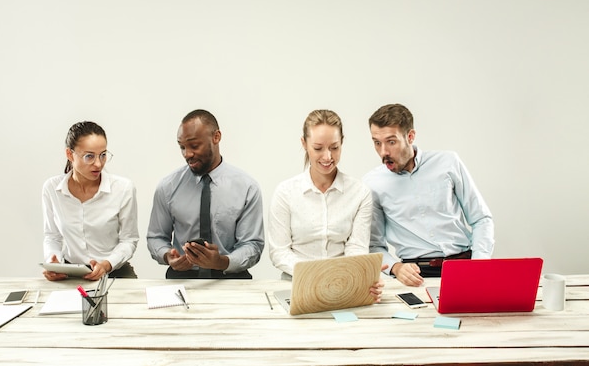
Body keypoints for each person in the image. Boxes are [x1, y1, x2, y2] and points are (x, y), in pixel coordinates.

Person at [363, 103, 495, 287]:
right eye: (377, 143)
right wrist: (396, 268)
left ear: (410, 136)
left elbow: (481, 218)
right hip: (416, 277)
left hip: (465, 267)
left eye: (391, 142)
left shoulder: (448, 162)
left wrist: (479, 264)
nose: (384, 152)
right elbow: (374, 244)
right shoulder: (372, 183)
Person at [268, 109, 387, 302]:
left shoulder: (360, 192)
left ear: (342, 142)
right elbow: (279, 252)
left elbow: (356, 247)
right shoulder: (285, 192)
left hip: (343, 286)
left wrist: (362, 273)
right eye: (318, 148)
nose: (327, 156)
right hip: (296, 286)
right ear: (304, 144)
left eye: (334, 147)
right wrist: (317, 276)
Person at [147, 109, 264, 279]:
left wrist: (221, 262)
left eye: (194, 146)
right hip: (182, 277)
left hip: (230, 277)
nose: (187, 154)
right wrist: (168, 256)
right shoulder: (167, 187)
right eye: (182, 147)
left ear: (216, 137)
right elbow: (156, 237)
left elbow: (252, 245)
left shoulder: (247, 187)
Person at [42, 121, 139, 281]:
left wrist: (106, 265)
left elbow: (129, 240)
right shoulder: (52, 188)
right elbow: (52, 236)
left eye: (103, 155)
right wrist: (54, 263)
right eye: (89, 156)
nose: (99, 164)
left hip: (113, 272)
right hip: (70, 272)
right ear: (69, 154)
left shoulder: (123, 188)